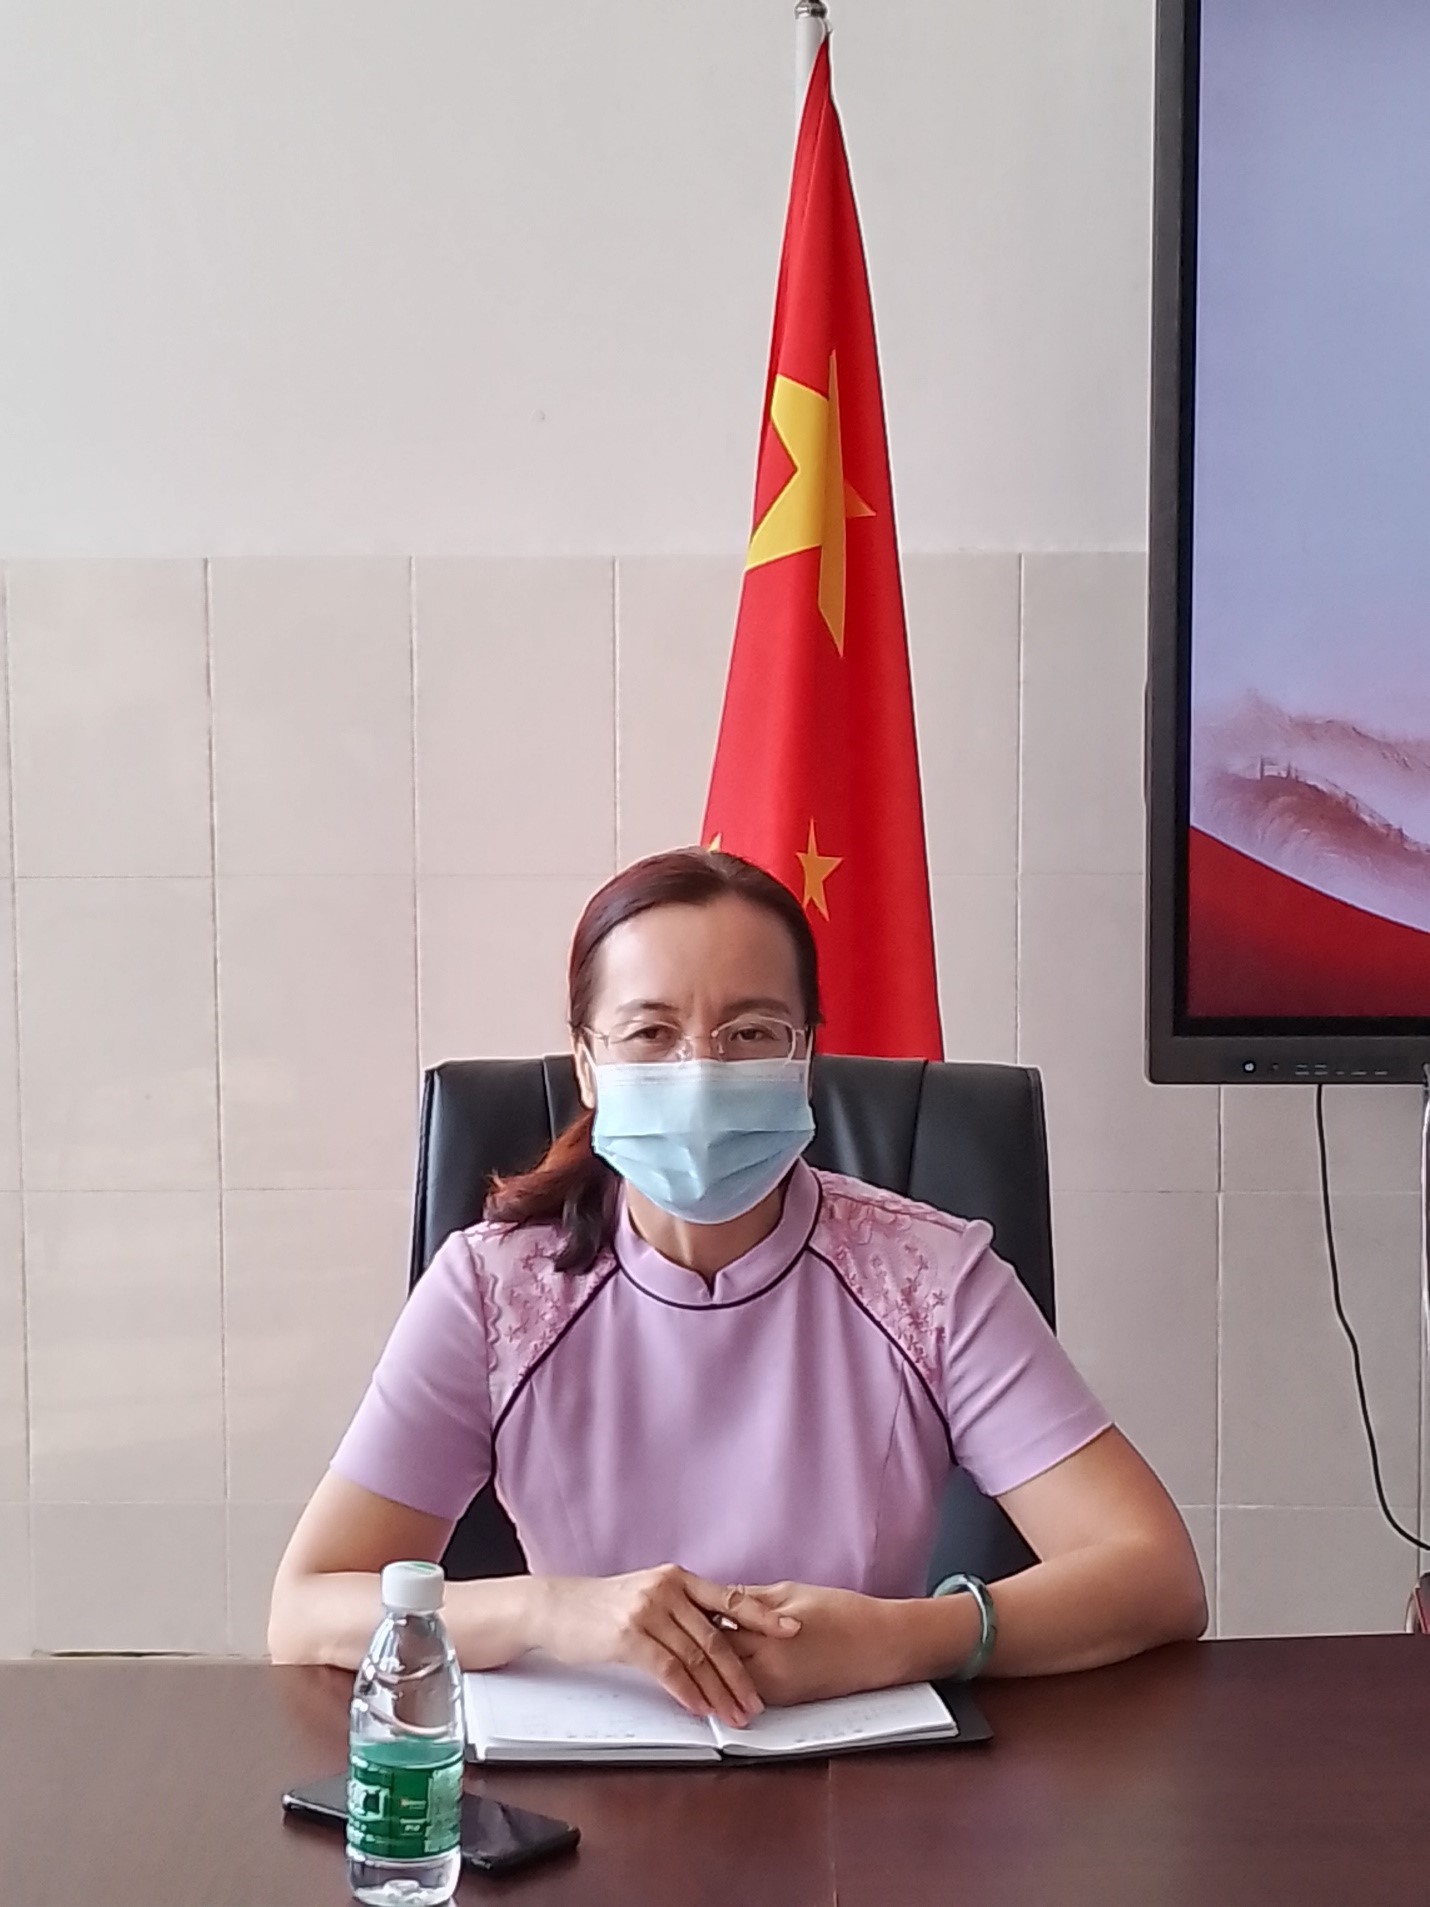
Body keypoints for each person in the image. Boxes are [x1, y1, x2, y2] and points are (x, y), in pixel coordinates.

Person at [270, 848, 1206, 1723]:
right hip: (585, 1782)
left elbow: (1155, 1573)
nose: (701, 1072)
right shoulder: (494, 1288)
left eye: (751, 1032)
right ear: (587, 1062)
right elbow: (306, 1608)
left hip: (866, 1776)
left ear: (806, 1055)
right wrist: (551, 1609)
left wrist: (901, 1638)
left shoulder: (929, 1275)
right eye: (651, 1032)